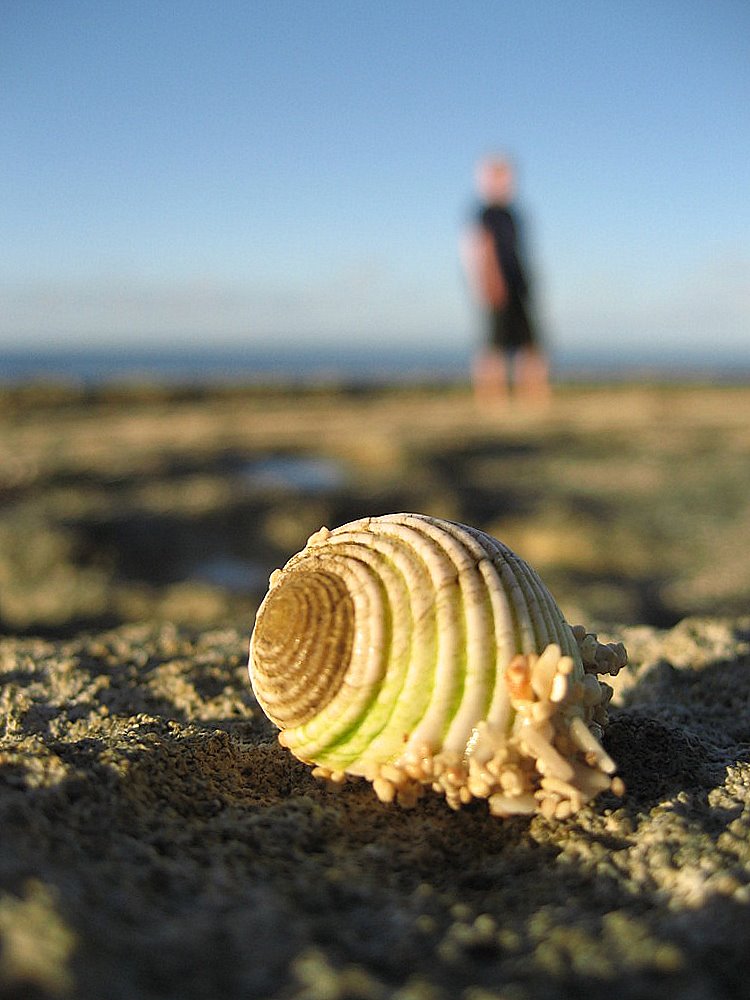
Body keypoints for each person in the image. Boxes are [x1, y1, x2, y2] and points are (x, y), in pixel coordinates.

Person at [462, 155, 549, 405]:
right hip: (498, 287)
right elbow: (481, 249)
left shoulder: (512, 213)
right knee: (495, 346)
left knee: (530, 344)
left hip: (519, 284)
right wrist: (489, 282)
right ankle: (491, 399)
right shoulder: (487, 213)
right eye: (499, 177)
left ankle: (533, 398)